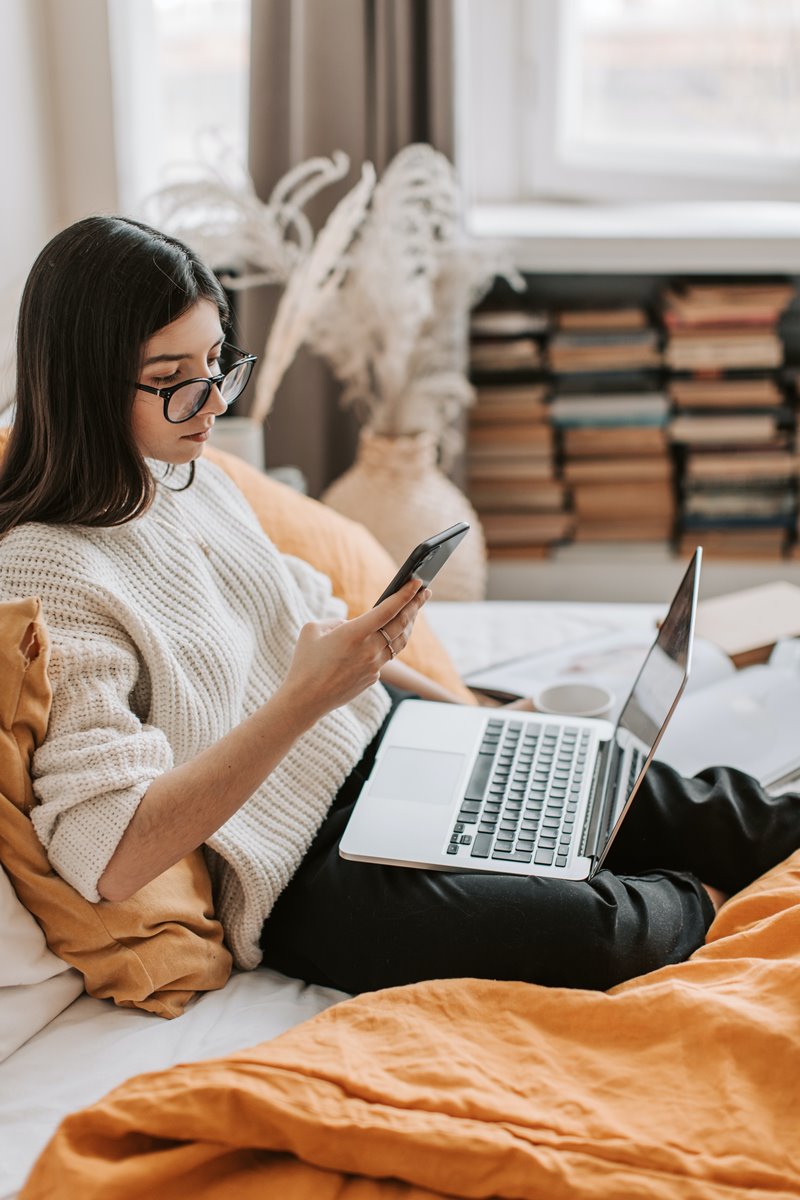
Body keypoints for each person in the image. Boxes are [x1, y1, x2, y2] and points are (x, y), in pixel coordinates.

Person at [0, 215, 796, 997]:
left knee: (667, 792)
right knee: (599, 931)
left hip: (389, 742)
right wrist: (306, 698)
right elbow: (106, 858)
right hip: (306, 870)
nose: (213, 404)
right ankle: (719, 911)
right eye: (175, 382)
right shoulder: (48, 571)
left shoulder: (191, 475)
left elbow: (310, 631)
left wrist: (478, 717)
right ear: (84, 383)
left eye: (217, 364)